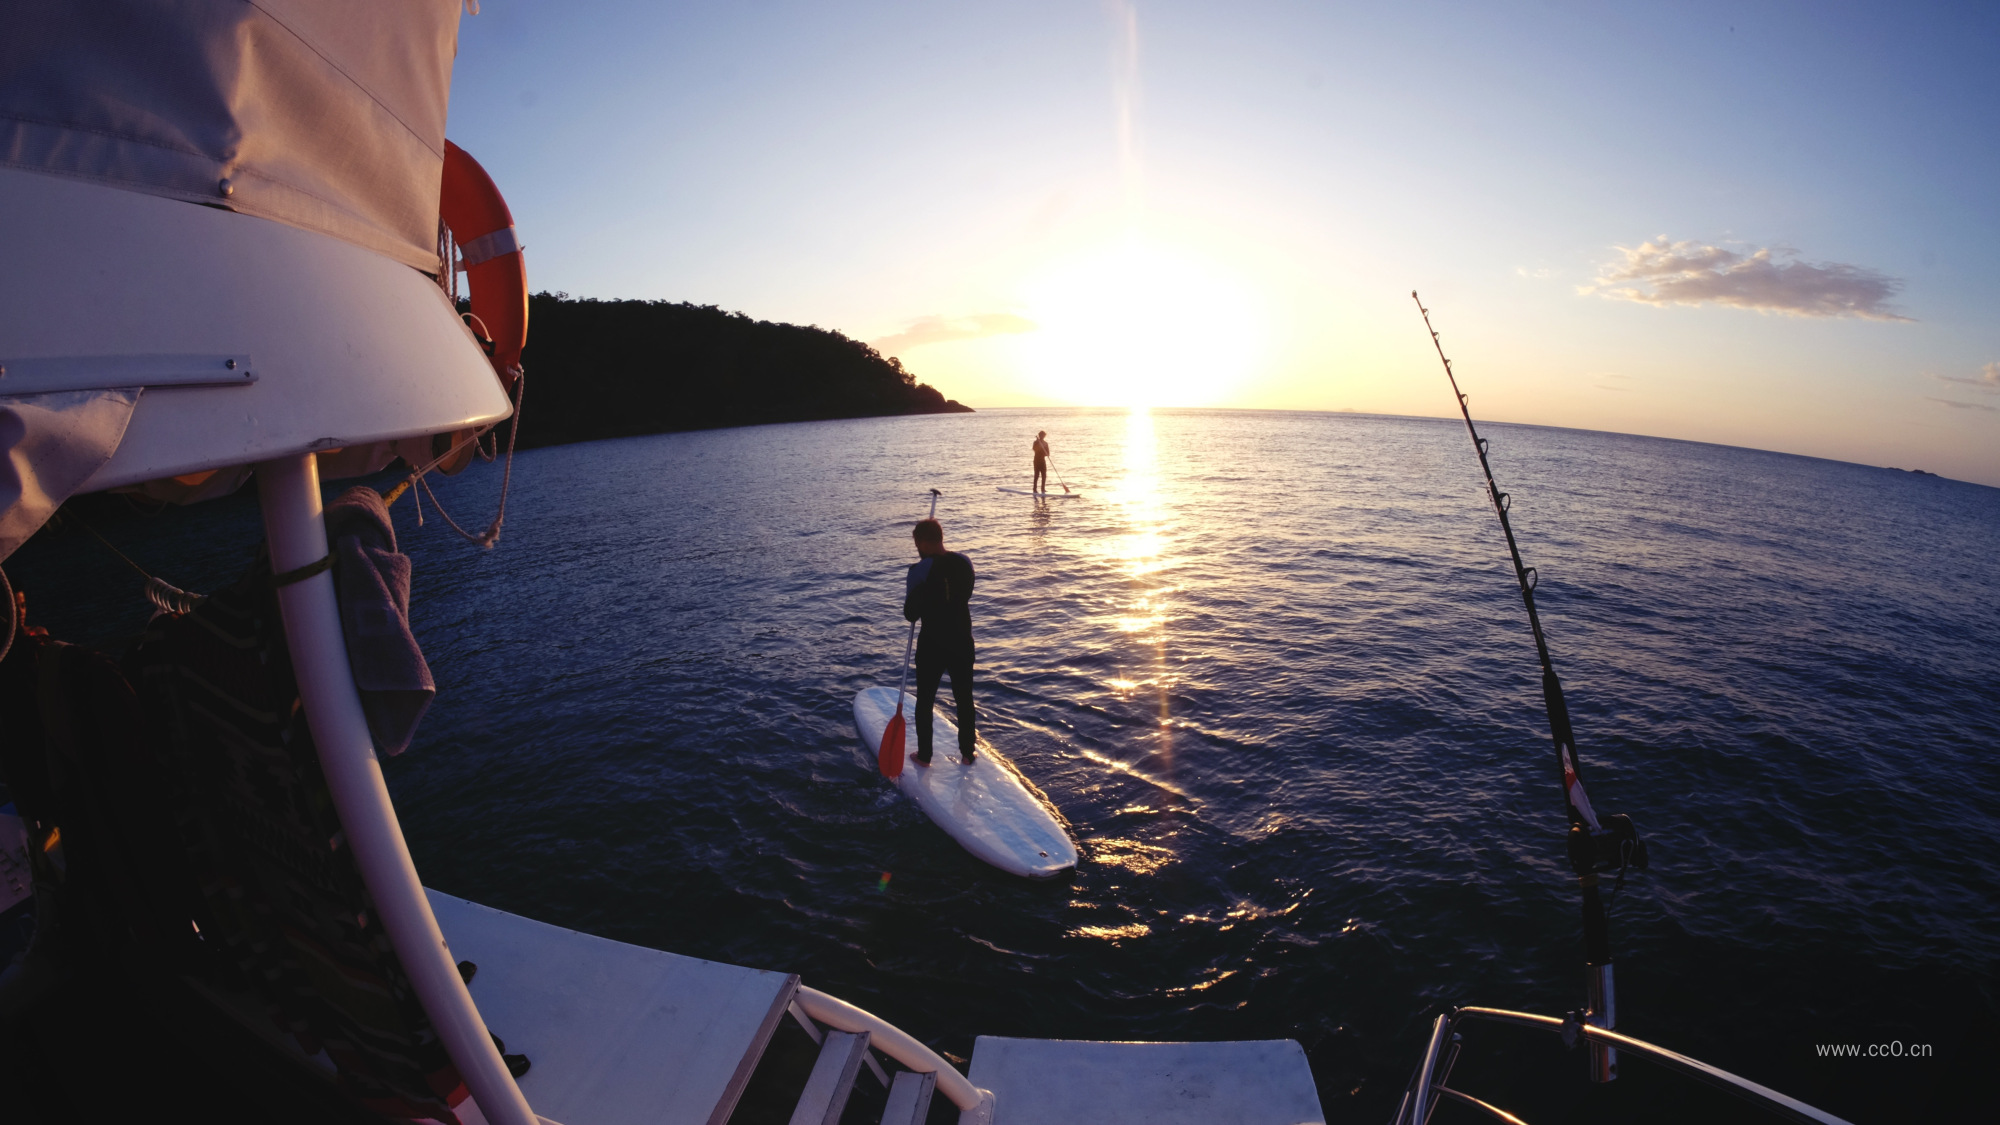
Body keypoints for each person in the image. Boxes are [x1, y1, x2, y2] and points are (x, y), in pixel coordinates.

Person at [903, 517, 976, 764]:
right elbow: (964, 594)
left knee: (925, 700)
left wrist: (924, 591)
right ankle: (968, 753)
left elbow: (910, 613)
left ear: (922, 542)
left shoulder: (918, 571)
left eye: (916, 543)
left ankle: (925, 756)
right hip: (962, 640)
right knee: (964, 697)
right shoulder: (965, 562)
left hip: (933, 644)